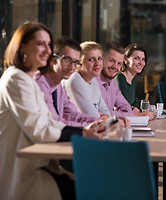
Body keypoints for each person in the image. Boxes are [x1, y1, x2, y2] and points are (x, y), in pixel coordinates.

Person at [0, 22, 106, 200]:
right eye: (40, 43)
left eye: (49, 45)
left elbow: (50, 122)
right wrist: (83, 134)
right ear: (22, 46)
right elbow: (39, 130)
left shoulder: (26, 78)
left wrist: (86, 130)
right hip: (23, 170)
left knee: (93, 180)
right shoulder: (16, 79)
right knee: (92, 185)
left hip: (38, 164)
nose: (47, 50)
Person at [35, 36, 99, 127]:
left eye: (76, 62)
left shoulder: (58, 85)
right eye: (67, 60)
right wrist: (89, 126)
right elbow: (54, 122)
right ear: (53, 60)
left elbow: (75, 115)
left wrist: (101, 122)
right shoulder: (40, 83)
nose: (72, 67)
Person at [97, 41, 154, 119]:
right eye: (111, 61)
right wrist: (132, 114)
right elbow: (101, 113)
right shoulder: (93, 81)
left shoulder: (112, 82)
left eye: (119, 63)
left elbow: (126, 106)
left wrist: (129, 112)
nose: (115, 66)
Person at [63, 41, 111, 118]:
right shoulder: (74, 79)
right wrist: (101, 116)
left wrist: (104, 117)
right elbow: (91, 116)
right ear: (79, 62)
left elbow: (105, 111)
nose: (97, 63)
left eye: (99, 58)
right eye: (91, 59)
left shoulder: (93, 79)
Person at [115, 43, 147, 112]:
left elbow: (135, 104)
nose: (141, 63)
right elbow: (124, 107)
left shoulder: (131, 80)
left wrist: (135, 109)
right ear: (125, 60)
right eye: (136, 58)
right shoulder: (120, 78)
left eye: (143, 59)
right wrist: (134, 109)